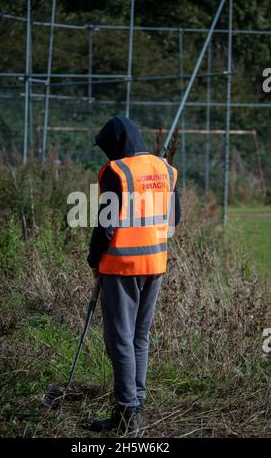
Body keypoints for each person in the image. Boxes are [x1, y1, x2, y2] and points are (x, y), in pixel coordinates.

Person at [87, 115, 180, 433]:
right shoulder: (165, 168)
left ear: (115, 144)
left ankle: (127, 415)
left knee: (121, 341)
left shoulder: (117, 171)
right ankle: (134, 407)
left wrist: (93, 261)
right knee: (140, 338)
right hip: (155, 265)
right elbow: (173, 218)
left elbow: (106, 224)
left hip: (121, 266)